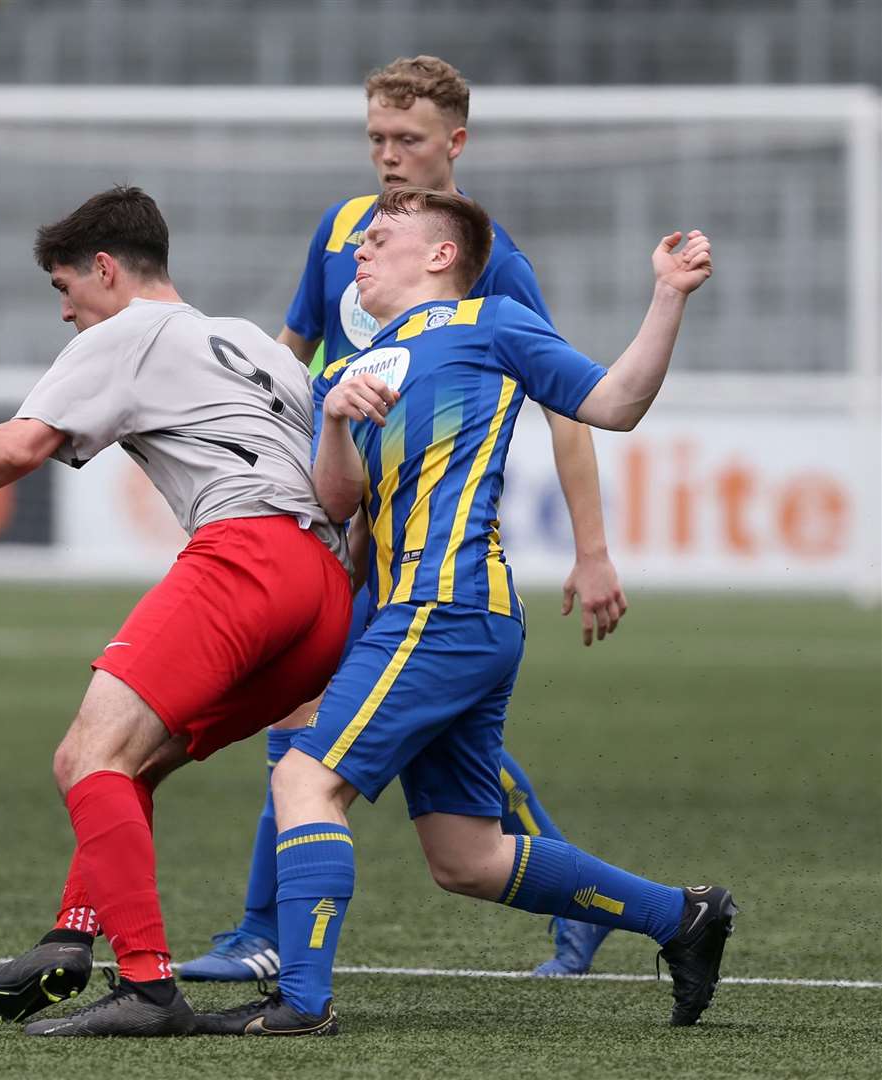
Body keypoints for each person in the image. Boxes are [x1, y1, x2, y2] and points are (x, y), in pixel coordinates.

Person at [195, 187, 734, 1036]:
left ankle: (298, 1003)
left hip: (440, 606)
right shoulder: (351, 367)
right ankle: (682, 918)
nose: (360, 249)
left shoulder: (490, 323)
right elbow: (339, 500)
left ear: (441, 255)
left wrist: (666, 295)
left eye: (382, 236)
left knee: (303, 776)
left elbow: (614, 404)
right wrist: (333, 420)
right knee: (468, 859)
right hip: (438, 615)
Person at [0, 186, 355, 1037]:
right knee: (127, 768)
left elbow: (21, 442)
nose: (66, 311)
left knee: (86, 756)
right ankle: (68, 940)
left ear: (105, 269)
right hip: (324, 593)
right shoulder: (258, 344)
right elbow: (337, 480)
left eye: (65, 287)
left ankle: (148, 988)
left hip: (248, 557)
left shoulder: (126, 331)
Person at [182, 54, 623, 984]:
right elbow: (291, 351)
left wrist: (591, 550)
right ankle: (266, 930)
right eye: (376, 137)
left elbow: (565, 405)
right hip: (346, 504)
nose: (387, 157)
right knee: (331, 710)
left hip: (426, 530)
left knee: (323, 719)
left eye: (408, 140)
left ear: (453, 144)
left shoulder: (488, 258)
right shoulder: (344, 231)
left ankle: (266, 935)